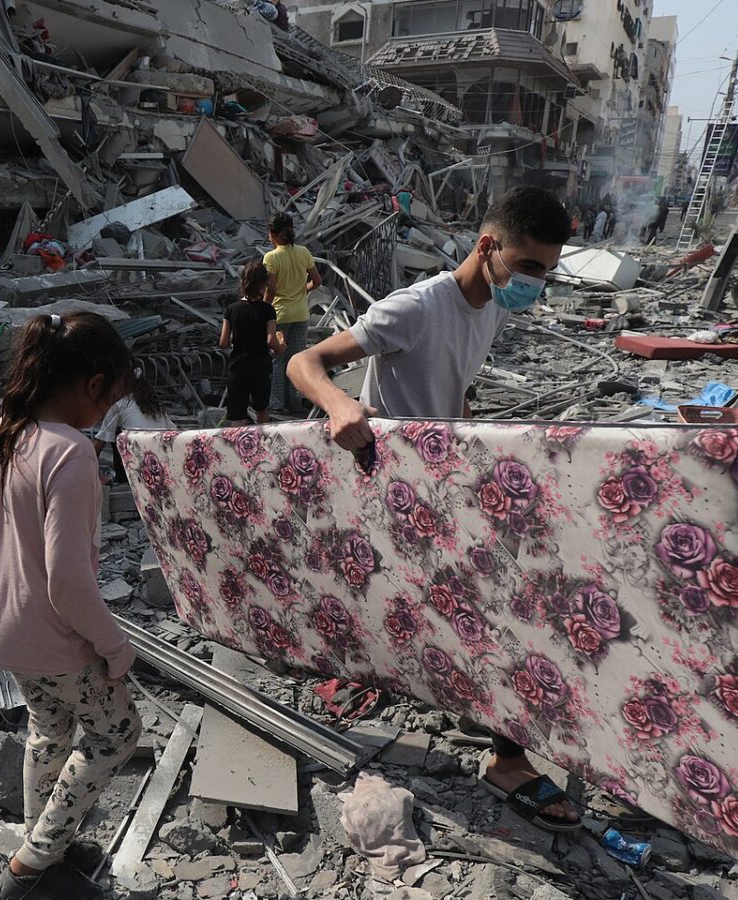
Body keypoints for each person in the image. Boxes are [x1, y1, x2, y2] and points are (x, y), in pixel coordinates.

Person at [287, 186, 582, 834]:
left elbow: (457, 383)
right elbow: (306, 361)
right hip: (393, 493)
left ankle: (463, 704)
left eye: (547, 271)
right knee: (492, 610)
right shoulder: (418, 307)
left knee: (483, 606)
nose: (536, 283)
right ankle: (507, 759)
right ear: (488, 246)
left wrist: (473, 453)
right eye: (529, 267)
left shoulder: (492, 309)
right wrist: (339, 406)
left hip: (441, 487)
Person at [0, 312, 141, 900]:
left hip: (0, 627)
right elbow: (69, 582)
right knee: (116, 733)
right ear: (94, 385)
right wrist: (115, 646)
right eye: (111, 398)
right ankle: (31, 868)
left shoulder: (2, 431)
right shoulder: (71, 454)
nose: (107, 411)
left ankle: (45, 847)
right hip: (53, 635)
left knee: (49, 729)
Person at [264, 212, 321, 414]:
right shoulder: (304, 252)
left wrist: (263, 310)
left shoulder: (271, 257)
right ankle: (295, 404)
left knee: (278, 359)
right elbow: (317, 280)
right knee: (296, 360)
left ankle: (277, 405)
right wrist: (301, 290)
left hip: (279, 316)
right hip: (301, 315)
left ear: (273, 233)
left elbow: (271, 289)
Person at [220, 259, 283, 425]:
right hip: (260, 366)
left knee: (237, 414)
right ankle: (262, 447)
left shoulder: (231, 309)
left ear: (242, 282)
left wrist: (238, 336)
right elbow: (271, 339)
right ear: (264, 285)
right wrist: (280, 348)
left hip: (237, 366)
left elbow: (224, 343)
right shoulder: (268, 310)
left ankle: (237, 449)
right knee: (262, 410)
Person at [93, 368, 173, 483]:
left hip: (137, 468)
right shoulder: (156, 405)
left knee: (116, 434)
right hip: (160, 463)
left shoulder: (120, 405)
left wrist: (90, 473)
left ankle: (122, 480)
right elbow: (172, 430)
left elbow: (99, 443)